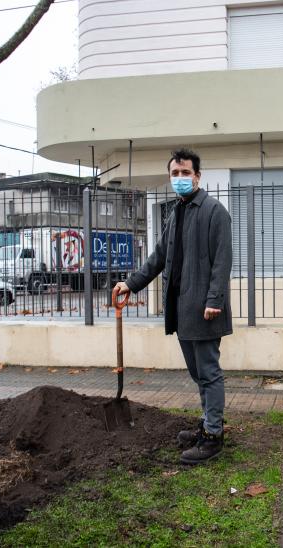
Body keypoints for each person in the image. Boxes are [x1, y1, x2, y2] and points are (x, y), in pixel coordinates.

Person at [112, 148, 232, 465]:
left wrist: (214, 301)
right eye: (175, 174)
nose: (180, 178)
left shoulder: (214, 212)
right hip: (181, 309)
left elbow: (222, 261)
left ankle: (214, 437)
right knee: (198, 374)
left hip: (205, 309)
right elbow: (158, 258)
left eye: (185, 173)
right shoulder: (175, 214)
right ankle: (209, 425)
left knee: (208, 373)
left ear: (198, 176)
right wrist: (131, 283)